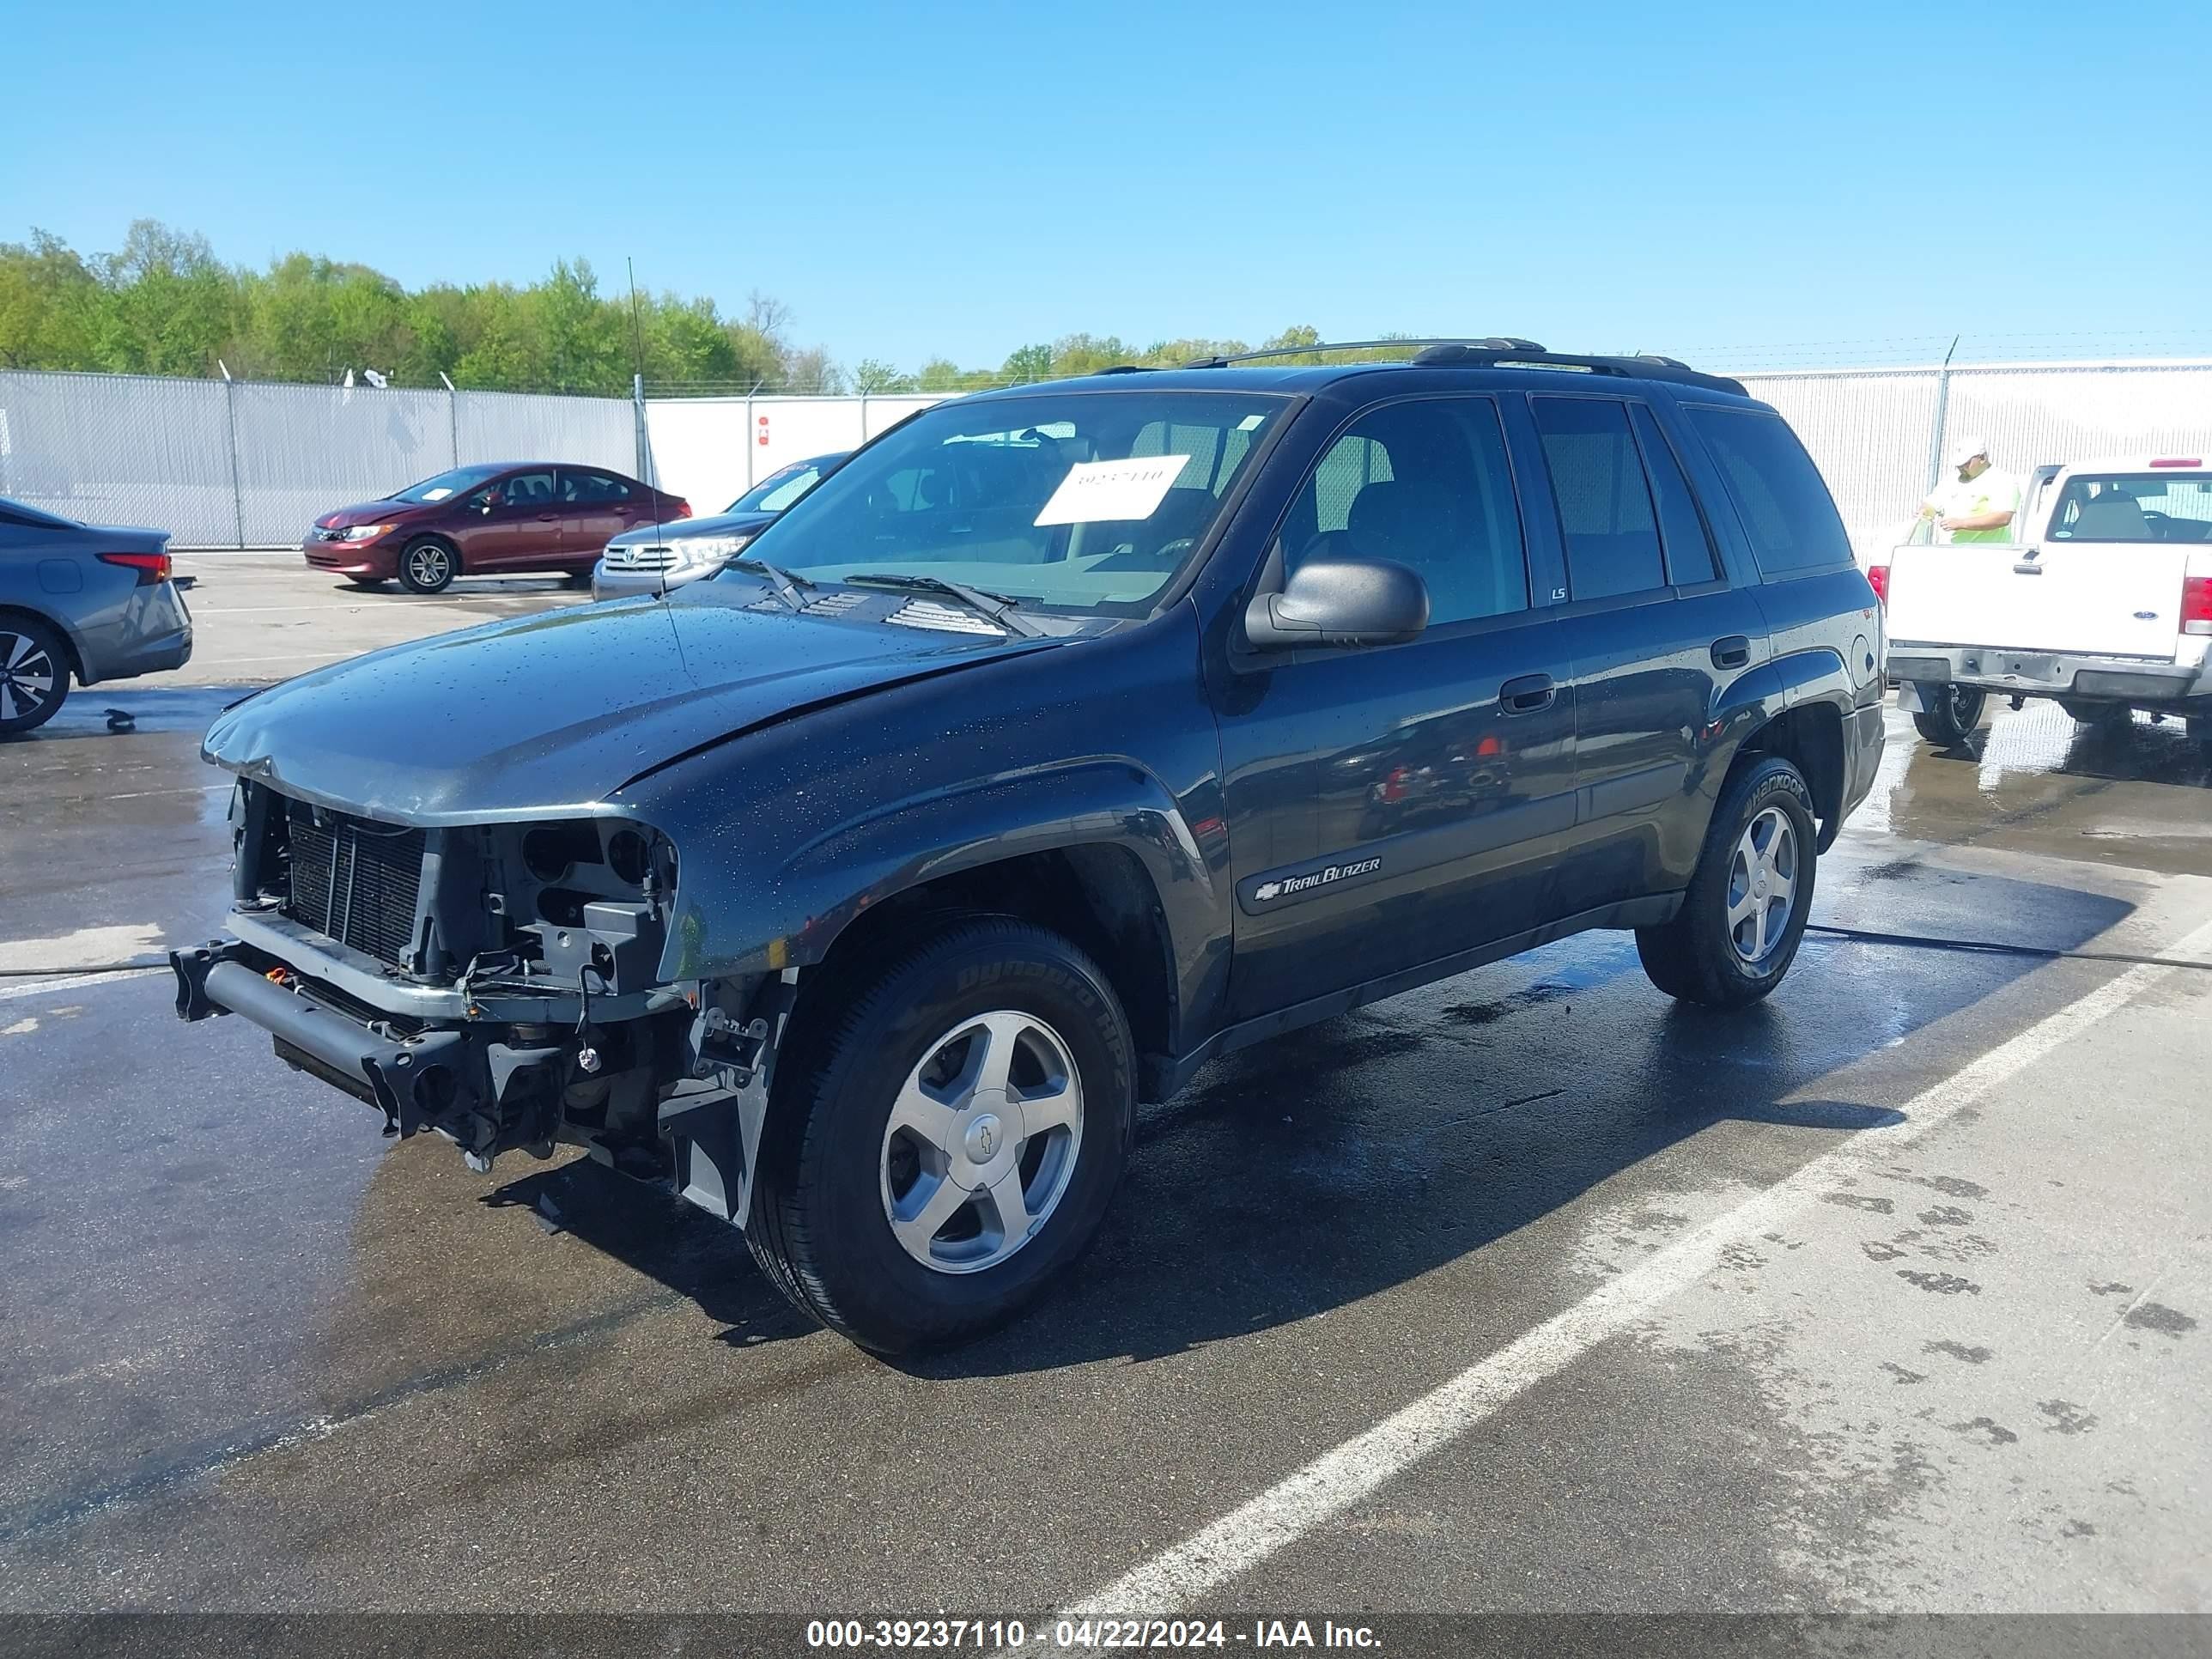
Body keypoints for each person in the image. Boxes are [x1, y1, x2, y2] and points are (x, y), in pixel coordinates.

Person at [1920, 435, 2021, 544]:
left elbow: (2002, 518)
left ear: (1982, 458)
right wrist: (1924, 511)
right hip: (1950, 552)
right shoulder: (1950, 479)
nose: (1961, 468)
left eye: (1966, 463)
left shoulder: (2003, 480)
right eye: (1959, 465)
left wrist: (1962, 524)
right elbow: (1932, 503)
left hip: (1988, 554)